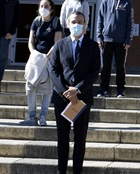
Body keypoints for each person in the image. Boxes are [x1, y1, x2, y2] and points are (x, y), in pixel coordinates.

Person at [49, 11, 101, 174]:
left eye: (80, 22)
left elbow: (94, 71)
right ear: (67, 23)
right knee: (62, 137)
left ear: (85, 25)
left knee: (80, 138)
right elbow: (53, 69)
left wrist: (77, 89)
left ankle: (77, 170)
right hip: (62, 98)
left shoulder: (92, 46)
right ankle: (61, 170)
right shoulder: (59, 45)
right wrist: (66, 91)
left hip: (82, 98)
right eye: (73, 21)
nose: (77, 24)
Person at [20, 0, 63, 126]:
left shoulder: (55, 22)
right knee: (30, 86)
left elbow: (57, 43)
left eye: (46, 6)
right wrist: (33, 53)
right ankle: (31, 115)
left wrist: (46, 57)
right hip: (36, 58)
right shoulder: (36, 21)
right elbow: (31, 40)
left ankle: (43, 116)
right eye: (41, 6)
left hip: (49, 59)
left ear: (51, 9)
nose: (43, 8)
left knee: (47, 89)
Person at [95, 0, 133, 98]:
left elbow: (130, 22)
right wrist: (99, 36)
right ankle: (103, 89)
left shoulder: (127, 2)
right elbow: (100, 19)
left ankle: (120, 90)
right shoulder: (105, 1)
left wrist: (128, 39)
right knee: (105, 66)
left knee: (120, 66)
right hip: (106, 39)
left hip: (121, 41)